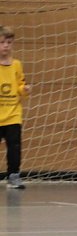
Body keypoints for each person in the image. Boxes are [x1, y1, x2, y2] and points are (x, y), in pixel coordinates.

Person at [0, 25, 29, 190]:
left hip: (13, 114)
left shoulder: (17, 65)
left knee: (14, 147)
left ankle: (13, 176)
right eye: (2, 42)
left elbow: (19, 84)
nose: (6, 45)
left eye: (9, 42)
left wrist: (23, 90)